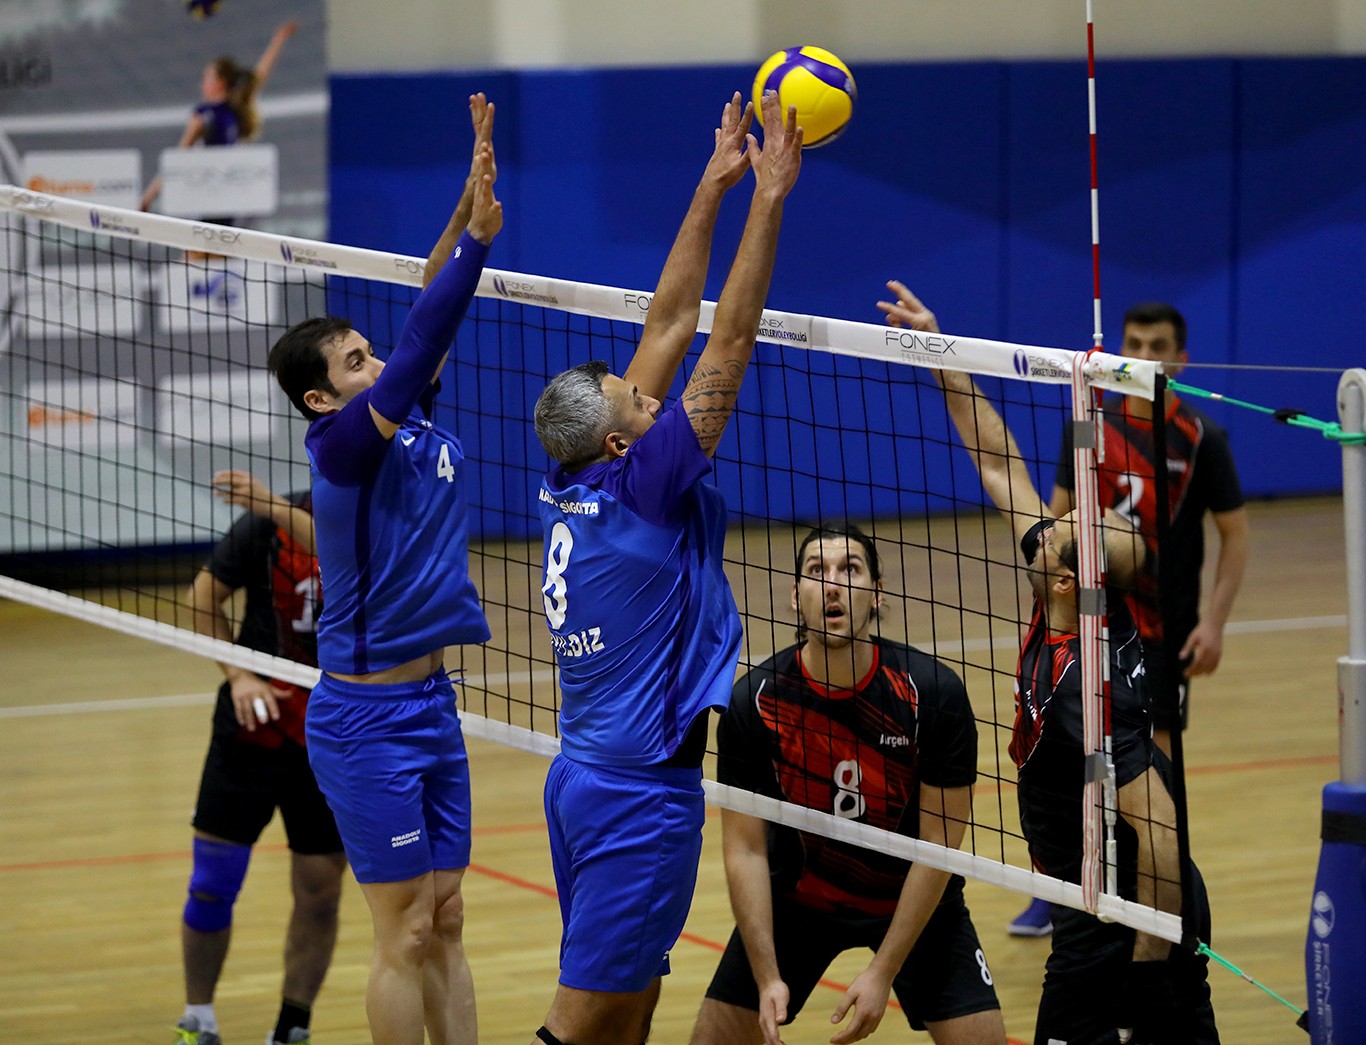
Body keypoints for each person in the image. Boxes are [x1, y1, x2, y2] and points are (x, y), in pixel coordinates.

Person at [529, 90, 802, 1045]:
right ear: (618, 444)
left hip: (582, 777)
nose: (653, 399)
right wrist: (770, 196)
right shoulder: (646, 486)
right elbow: (727, 338)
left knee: (630, 1007)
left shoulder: (572, 478)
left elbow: (671, 319)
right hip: (640, 796)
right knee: (580, 1022)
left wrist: (711, 183)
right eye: (638, 405)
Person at [878, 282, 1220, 1045]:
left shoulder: (1086, 689)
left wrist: (1146, 963)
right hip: (1091, 892)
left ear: (1065, 579)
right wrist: (940, 351)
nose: (1049, 522)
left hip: (1126, 910)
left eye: (1065, 529)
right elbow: (997, 459)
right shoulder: (1068, 594)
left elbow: (1162, 833)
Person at [265, 94, 501, 1045]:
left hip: (431, 702)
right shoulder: (343, 446)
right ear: (320, 398)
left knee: (446, 916)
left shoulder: (398, 419)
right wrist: (478, 245)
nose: (378, 364)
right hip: (365, 722)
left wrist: (466, 200)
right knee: (402, 929)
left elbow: (419, 325)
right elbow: (425, 339)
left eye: (371, 354)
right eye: (356, 361)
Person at [689, 522, 1007, 1045]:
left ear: (877, 594)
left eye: (850, 569)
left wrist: (882, 973)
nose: (833, 584)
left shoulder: (932, 694)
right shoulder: (755, 704)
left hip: (913, 901)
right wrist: (767, 977)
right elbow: (745, 850)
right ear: (796, 597)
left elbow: (939, 847)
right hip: (798, 905)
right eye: (817, 571)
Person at [1006, 304, 1250, 942]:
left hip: (1162, 635)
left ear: (1180, 359)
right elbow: (1055, 520)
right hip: (1087, 626)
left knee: (1153, 776)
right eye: (1134, 343)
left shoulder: (1202, 437)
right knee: (1066, 765)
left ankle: (1160, 899)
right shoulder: (1089, 427)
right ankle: (1058, 889)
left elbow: (1235, 534)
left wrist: (1215, 624)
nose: (1143, 356)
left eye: (1157, 346)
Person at [176, 469, 346, 1045]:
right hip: (251, 728)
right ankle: (197, 1018)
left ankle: (291, 1028)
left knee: (320, 893)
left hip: (331, 736)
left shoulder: (374, 529)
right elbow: (202, 598)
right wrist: (238, 673)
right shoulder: (264, 525)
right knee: (212, 882)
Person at [141, 20, 299, 213]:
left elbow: (258, 76)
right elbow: (178, 160)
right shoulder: (211, 113)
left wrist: (278, 40)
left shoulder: (222, 110)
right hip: (216, 196)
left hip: (223, 196)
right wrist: (149, 196)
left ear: (220, 82)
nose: (202, 84)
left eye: (207, 78)